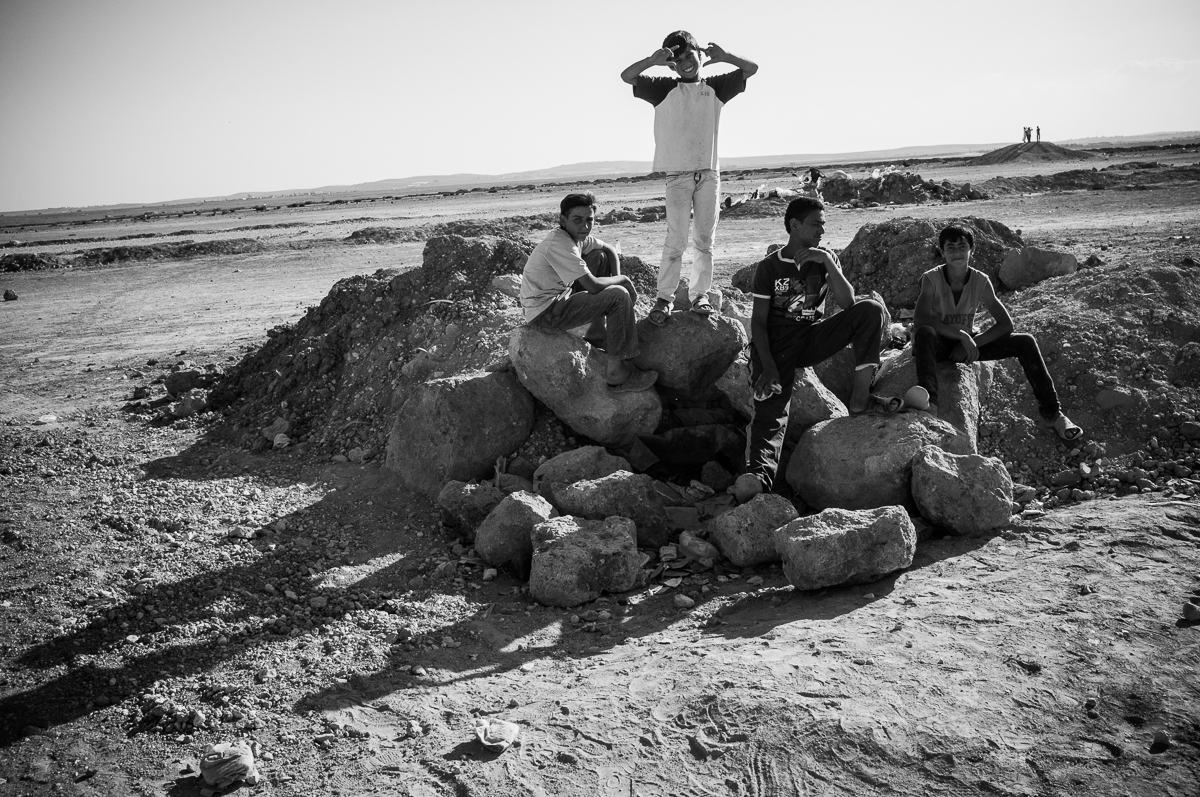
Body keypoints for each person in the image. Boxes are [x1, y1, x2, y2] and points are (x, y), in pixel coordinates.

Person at [746, 197, 890, 491]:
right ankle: (757, 479)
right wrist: (768, 366)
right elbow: (758, 323)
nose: (822, 231)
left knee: (870, 310)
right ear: (794, 225)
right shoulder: (769, 268)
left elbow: (849, 303)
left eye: (824, 224)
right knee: (771, 410)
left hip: (810, 337)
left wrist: (826, 261)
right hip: (776, 344)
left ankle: (860, 401)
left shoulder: (826, 259)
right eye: (815, 224)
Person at [621, 30, 758, 325]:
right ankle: (664, 298)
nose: (685, 62)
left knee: (704, 240)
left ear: (699, 55)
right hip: (677, 177)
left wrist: (725, 57)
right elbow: (627, 76)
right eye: (678, 59)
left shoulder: (716, 87)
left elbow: (751, 69)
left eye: (689, 55)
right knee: (675, 240)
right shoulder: (662, 89)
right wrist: (651, 61)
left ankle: (700, 296)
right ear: (672, 64)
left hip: (709, 174)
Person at [912, 224, 1082, 441]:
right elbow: (921, 319)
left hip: (966, 346)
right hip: (937, 344)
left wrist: (975, 343)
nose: (957, 252)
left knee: (1026, 341)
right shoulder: (931, 278)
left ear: (971, 251)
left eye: (962, 247)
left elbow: (1005, 324)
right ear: (942, 251)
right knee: (925, 332)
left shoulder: (980, 280)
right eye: (950, 247)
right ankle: (930, 404)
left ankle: (1054, 414)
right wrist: (962, 337)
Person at [520, 192, 658, 392]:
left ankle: (596, 332)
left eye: (589, 220)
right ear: (563, 220)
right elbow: (593, 286)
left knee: (598, 256)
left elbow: (609, 249)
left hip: (559, 299)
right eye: (578, 220)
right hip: (545, 314)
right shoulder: (559, 244)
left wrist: (616, 277)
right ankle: (616, 373)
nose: (585, 226)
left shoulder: (576, 236)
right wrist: (622, 281)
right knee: (618, 296)